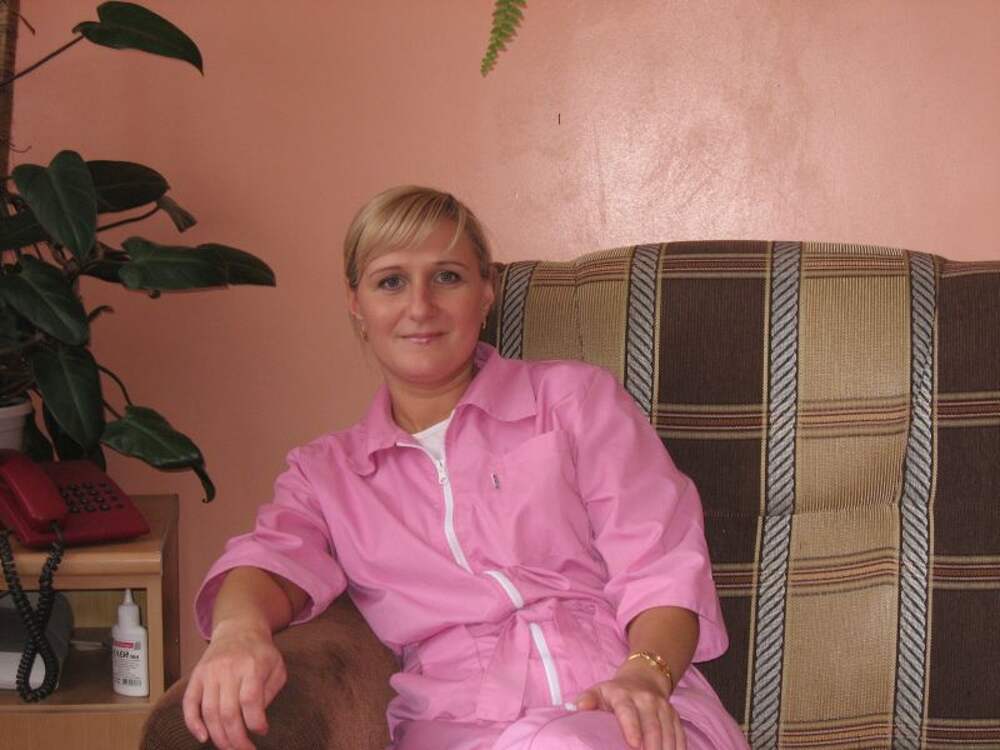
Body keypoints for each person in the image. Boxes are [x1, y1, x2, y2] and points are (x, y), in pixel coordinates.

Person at [182, 186, 749, 750]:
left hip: (629, 714)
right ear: (357, 303)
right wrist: (238, 632)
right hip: (458, 727)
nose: (420, 306)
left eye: (447, 277)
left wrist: (645, 674)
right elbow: (269, 560)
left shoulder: (573, 402)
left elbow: (661, 562)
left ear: (485, 292)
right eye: (391, 281)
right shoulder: (329, 474)